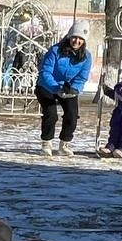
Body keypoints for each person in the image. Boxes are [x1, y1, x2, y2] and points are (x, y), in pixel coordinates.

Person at [35, 25, 92, 158]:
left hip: (68, 88)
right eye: (74, 37)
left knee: (72, 115)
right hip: (47, 86)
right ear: (69, 37)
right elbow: (45, 72)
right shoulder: (55, 51)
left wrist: (74, 89)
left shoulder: (86, 57)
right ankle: (47, 143)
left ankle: (65, 143)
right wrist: (56, 88)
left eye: (80, 39)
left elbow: (82, 77)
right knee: (51, 113)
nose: (76, 41)